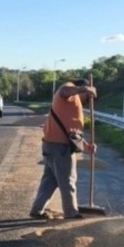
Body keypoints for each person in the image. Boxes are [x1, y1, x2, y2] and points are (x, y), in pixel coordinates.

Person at [29, 79, 97, 220]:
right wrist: (84, 89)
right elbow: (63, 92)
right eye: (88, 95)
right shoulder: (69, 89)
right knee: (68, 181)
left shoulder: (70, 103)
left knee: (50, 180)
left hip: (52, 145)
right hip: (60, 148)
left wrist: (86, 146)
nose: (88, 99)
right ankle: (71, 213)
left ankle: (37, 210)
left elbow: (71, 131)